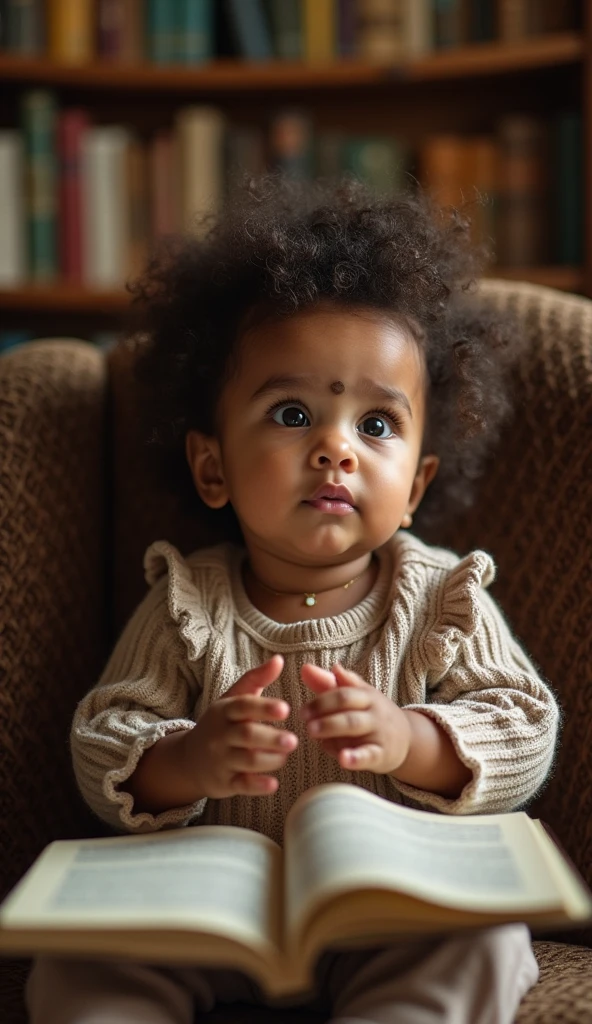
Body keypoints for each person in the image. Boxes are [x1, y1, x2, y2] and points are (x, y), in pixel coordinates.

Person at [27, 176, 560, 1024]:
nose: (335, 450)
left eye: (376, 426)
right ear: (212, 467)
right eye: (291, 412)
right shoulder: (187, 602)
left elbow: (524, 725)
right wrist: (190, 760)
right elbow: (105, 739)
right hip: (208, 911)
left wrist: (411, 739)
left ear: (417, 484)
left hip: (389, 908)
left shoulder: (440, 597)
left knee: (487, 939)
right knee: (77, 960)